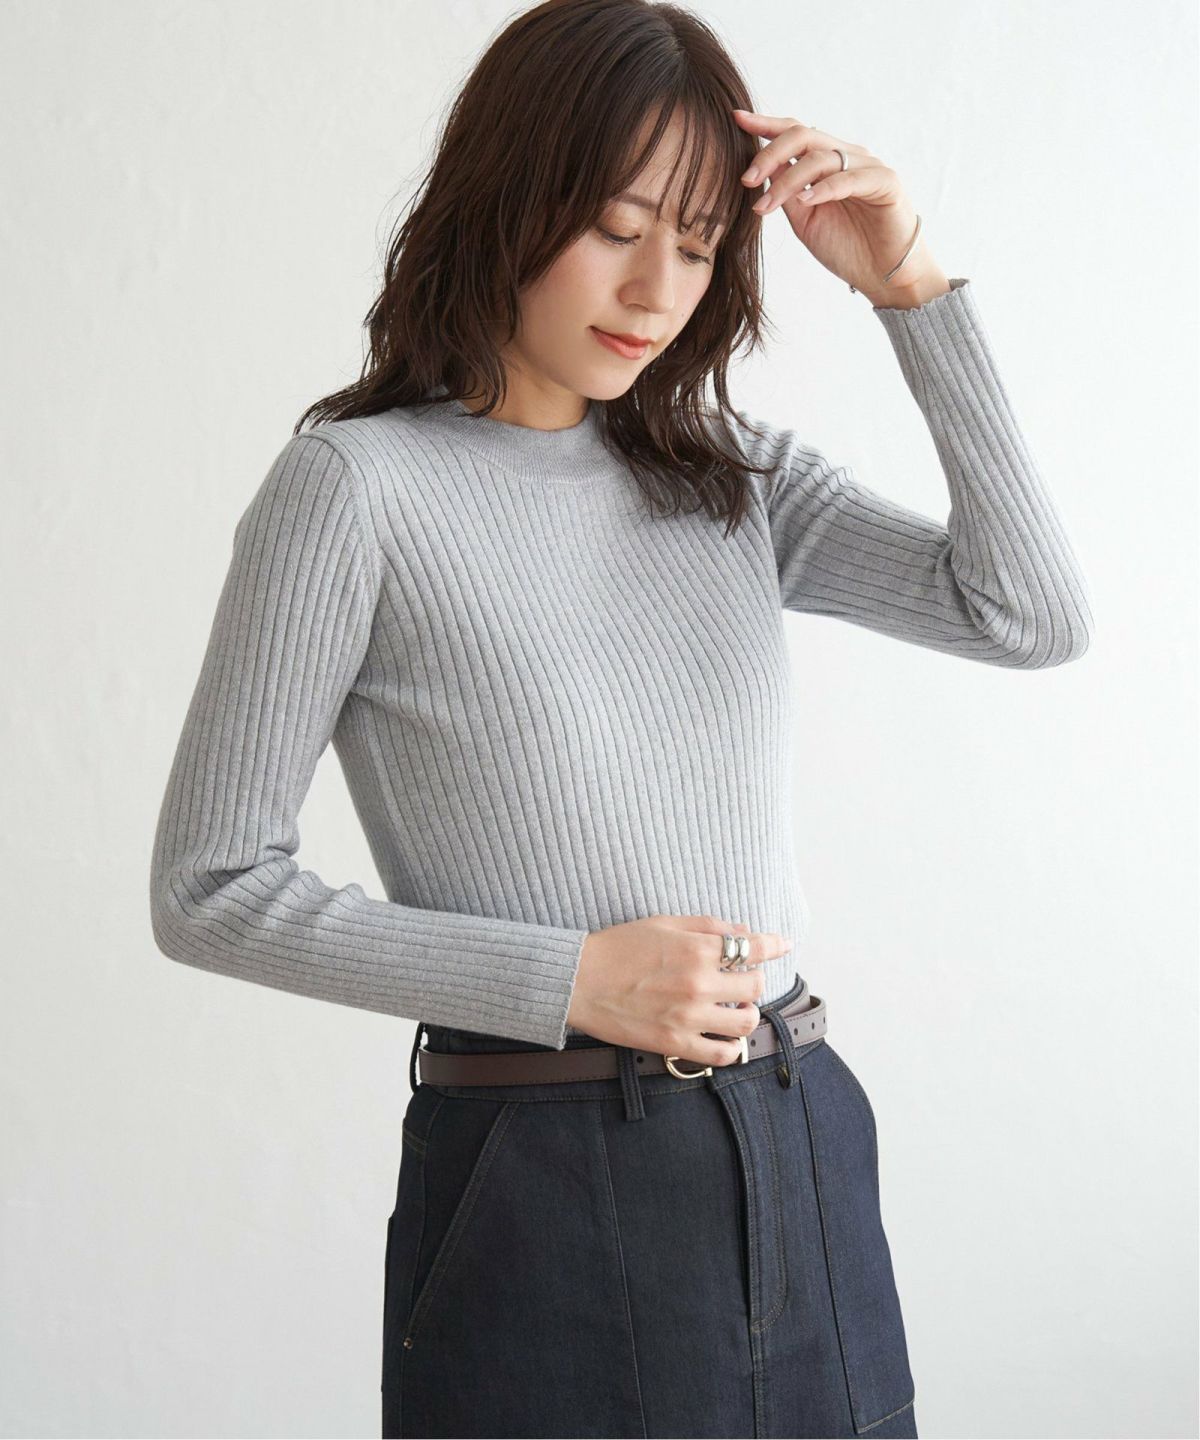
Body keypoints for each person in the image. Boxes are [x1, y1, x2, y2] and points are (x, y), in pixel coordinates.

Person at [148, 1, 1094, 1435]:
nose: (658, 287)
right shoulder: (356, 491)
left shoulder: (732, 478)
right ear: (507, 198)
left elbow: (1028, 614)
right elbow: (210, 888)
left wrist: (909, 286)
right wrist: (567, 980)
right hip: (542, 1166)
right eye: (615, 225)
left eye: (700, 244)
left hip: (798, 1130)